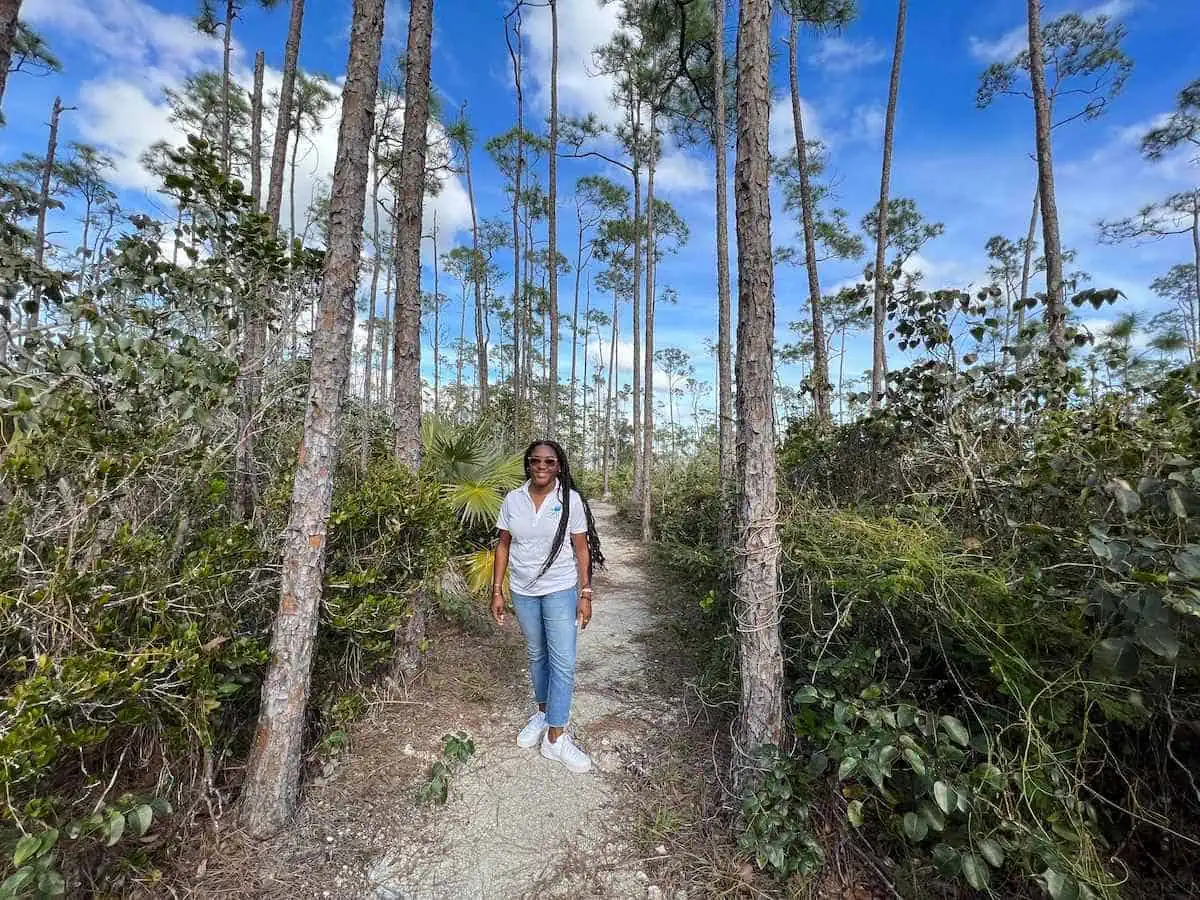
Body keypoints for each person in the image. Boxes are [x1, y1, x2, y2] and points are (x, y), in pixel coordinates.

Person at [490, 439, 604, 774]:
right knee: (537, 654)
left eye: (549, 462)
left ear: (559, 465)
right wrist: (497, 590)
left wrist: (585, 593)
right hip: (524, 590)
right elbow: (503, 545)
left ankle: (556, 736)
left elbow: (581, 550)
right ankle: (542, 714)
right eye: (535, 461)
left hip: (559, 588)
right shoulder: (513, 499)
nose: (542, 467)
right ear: (527, 464)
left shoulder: (570, 500)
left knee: (564, 661)